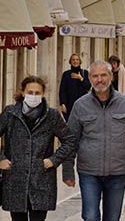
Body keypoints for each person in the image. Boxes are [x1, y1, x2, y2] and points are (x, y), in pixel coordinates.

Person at [63, 60, 125, 221]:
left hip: (117, 172)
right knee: (90, 216)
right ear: (89, 78)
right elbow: (71, 140)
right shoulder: (80, 106)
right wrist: (68, 170)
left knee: (112, 217)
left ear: (111, 77)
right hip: (89, 172)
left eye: (103, 75)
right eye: (95, 76)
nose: (99, 80)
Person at [0, 76, 77, 221]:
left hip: (42, 181)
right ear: (23, 93)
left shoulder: (52, 115)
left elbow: (70, 140)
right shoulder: (10, 113)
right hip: (15, 180)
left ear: (43, 94)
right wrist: (1, 159)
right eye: (30, 92)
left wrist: (54, 160)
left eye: (37, 93)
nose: (33, 96)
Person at [57, 55, 90, 121]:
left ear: (80, 61)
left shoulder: (85, 73)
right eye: (73, 60)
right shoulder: (66, 74)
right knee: (70, 125)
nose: (75, 61)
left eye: (77, 59)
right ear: (70, 62)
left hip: (82, 105)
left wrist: (80, 78)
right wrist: (62, 103)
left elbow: (88, 86)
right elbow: (62, 90)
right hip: (69, 105)